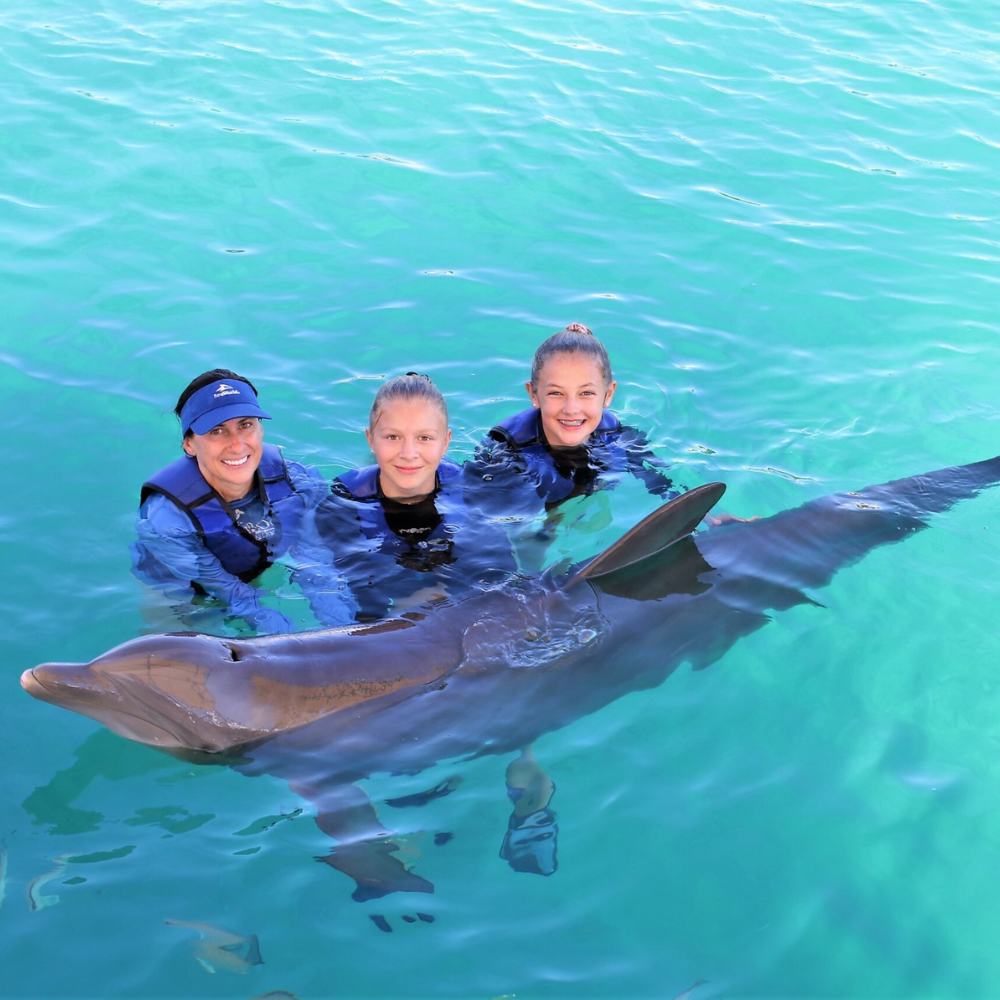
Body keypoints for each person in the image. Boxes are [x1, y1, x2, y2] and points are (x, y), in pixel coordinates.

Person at [132, 368, 350, 634]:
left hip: (251, 563)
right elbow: (218, 584)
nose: (237, 445)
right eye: (217, 430)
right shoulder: (167, 519)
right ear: (189, 444)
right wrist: (278, 632)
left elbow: (315, 558)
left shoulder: (298, 482)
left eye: (245, 425)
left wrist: (345, 629)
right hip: (184, 589)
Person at [299, 372, 516, 623]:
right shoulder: (342, 507)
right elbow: (349, 585)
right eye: (393, 437)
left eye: (424, 438)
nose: (408, 453)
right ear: (371, 439)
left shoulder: (473, 494)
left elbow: (500, 574)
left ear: (445, 442)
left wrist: (446, 595)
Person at [472, 323, 678, 513]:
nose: (571, 409)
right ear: (534, 394)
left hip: (582, 478)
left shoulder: (613, 433)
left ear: (608, 394)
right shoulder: (506, 448)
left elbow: (658, 478)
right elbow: (479, 508)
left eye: (586, 393)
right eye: (556, 393)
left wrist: (700, 513)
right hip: (528, 477)